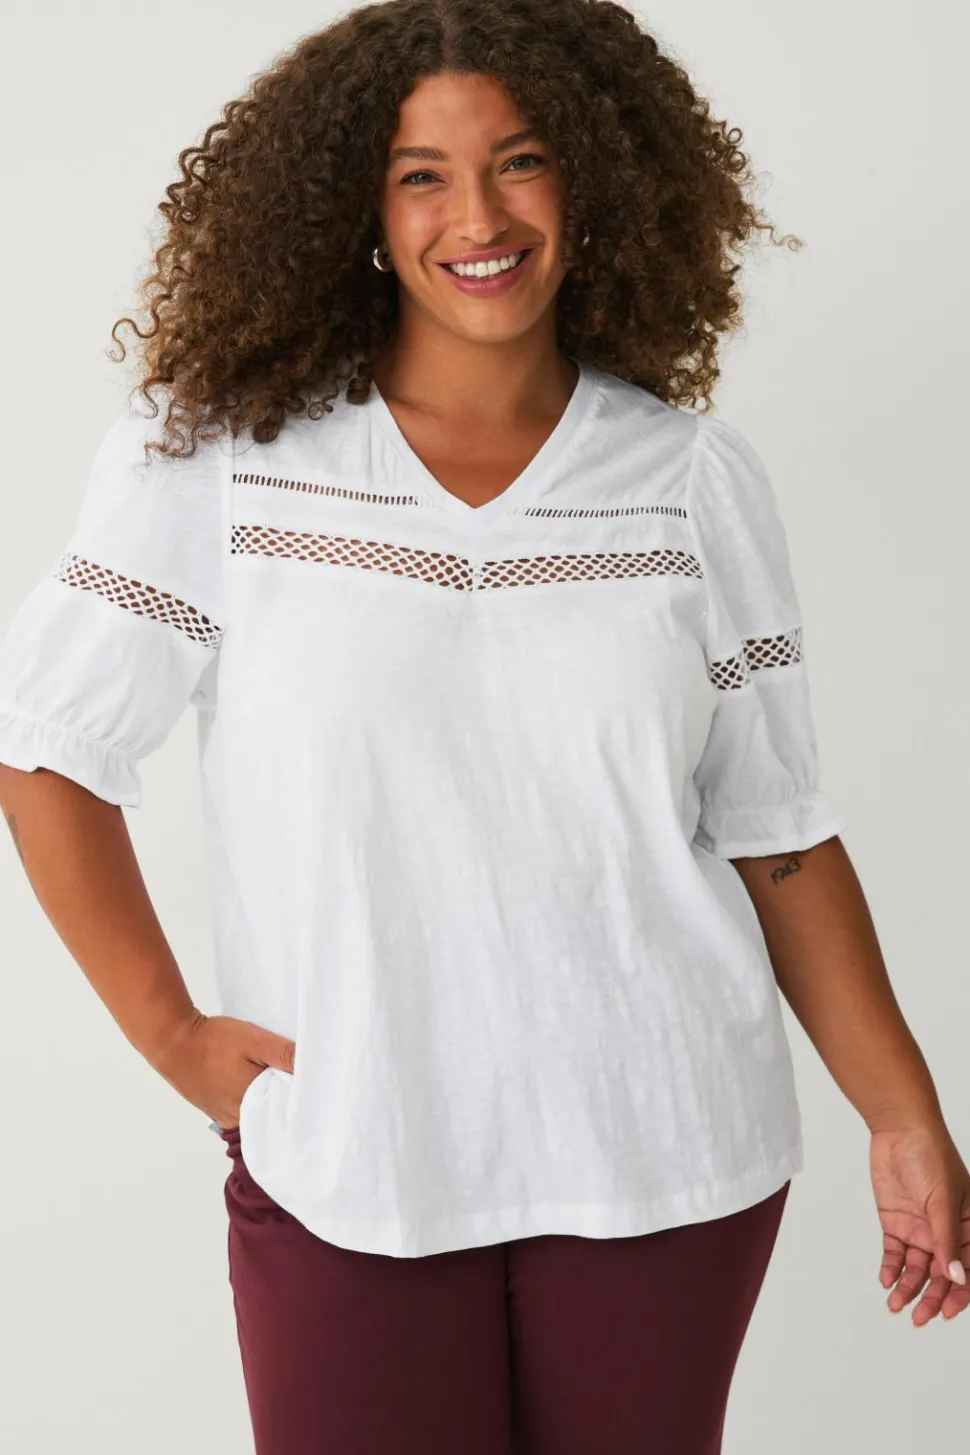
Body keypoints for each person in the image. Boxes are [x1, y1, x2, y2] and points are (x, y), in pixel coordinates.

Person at [0, 1, 966, 1451]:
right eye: (421, 175)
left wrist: (903, 1116)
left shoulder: (692, 480)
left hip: (666, 1153)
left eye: (520, 160)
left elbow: (773, 831)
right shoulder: (214, 463)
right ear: (357, 210)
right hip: (351, 1155)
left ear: (594, 177)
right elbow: (46, 750)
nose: (479, 217)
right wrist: (176, 1035)